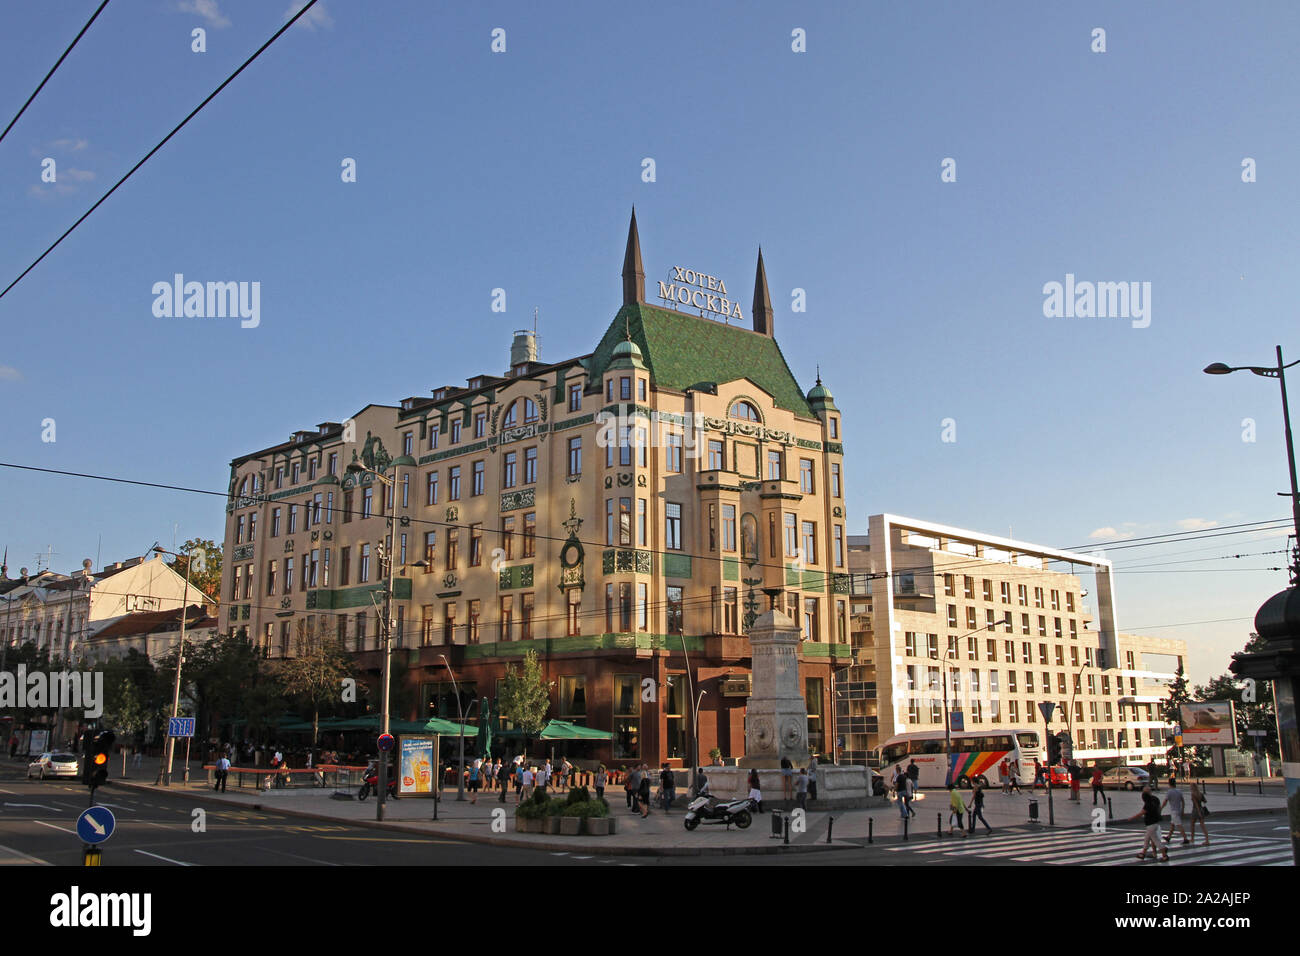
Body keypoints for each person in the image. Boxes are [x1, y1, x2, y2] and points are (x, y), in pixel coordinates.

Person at [1128, 784, 1167, 862]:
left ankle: (1164, 855)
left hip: (1151, 824)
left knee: (1156, 841)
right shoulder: (1155, 799)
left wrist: (1131, 818)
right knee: (1147, 839)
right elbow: (1159, 808)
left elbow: (1141, 813)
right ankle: (1143, 853)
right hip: (1155, 822)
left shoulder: (1148, 804)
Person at [1161, 776, 1189, 846]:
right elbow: (1183, 801)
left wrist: (1160, 808)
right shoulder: (1179, 791)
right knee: (1172, 825)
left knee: (1179, 825)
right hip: (1179, 809)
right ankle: (1169, 837)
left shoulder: (1169, 792)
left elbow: (1165, 801)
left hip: (1174, 811)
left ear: (1169, 784)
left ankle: (1185, 838)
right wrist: (1183, 810)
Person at [1188, 781, 1211, 846]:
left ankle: (1192, 838)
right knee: (1202, 825)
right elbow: (1205, 801)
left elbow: (1196, 804)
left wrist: (1198, 812)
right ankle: (1207, 839)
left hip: (1195, 810)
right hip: (1201, 809)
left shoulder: (1193, 794)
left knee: (1192, 824)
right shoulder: (1200, 794)